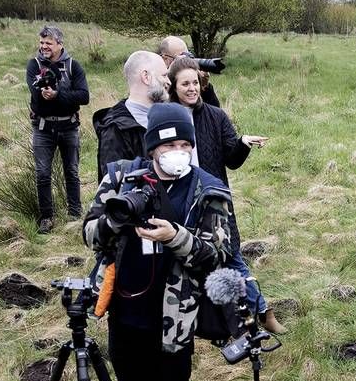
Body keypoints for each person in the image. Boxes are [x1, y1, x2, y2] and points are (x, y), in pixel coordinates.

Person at [83, 103, 233, 381]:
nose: (178, 151)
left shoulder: (208, 188)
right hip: (124, 311)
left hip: (174, 318)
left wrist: (177, 237)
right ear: (151, 149)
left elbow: (220, 254)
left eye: (186, 144)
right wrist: (116, 220)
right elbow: (89, 232)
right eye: (169, 144)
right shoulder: (119, 177)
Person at [167, 56, 284, 334]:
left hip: (213, 202)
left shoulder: (215, 116)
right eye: (185, 84)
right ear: (173, 86)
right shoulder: (166, 116)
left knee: (230, 257)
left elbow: (231, 159)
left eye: (195, 82)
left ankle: (263, 311)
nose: (192, 88)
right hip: (179, 203)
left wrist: (242, 143)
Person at [26, 25, 89, 234]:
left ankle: (75, 214)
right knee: (43, 174)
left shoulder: (74, 66)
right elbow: (36, 98)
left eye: (48, 43)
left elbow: (84, 97)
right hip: (43, 128)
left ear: (60, 44)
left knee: (71, 172)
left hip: (69, 126)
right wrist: (49, 95)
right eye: (42, 42)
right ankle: (46, 217)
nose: (43, 47)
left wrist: (58, 94)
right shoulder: (33, 65)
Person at [93, 51, 169, 182]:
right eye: (164, 75)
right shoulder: (116, 129)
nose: (168, 81)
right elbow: (114, 185)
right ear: (146, 77)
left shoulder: (165, 117)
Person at [158, 36, 220, 107]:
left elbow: (213, 112)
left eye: (187, 57)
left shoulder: (193, 83)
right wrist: (168, 78)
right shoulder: (154, 81)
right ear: (165, 59)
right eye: (180, 58)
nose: (185, 62)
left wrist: (205, 87)